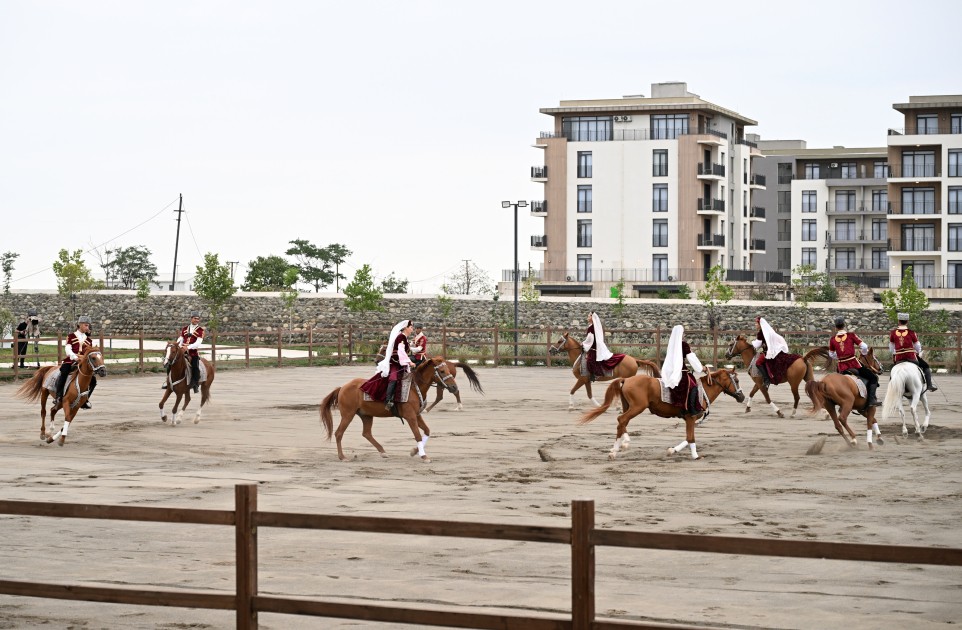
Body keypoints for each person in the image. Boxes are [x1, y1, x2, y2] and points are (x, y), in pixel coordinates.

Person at [361, 319, 415, 413]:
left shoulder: (404, 338)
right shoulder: (401, 337)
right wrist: (409, 362)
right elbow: (401, 351)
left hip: (400, 363)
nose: (412, 329)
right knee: (393, 378)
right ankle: (388, 400)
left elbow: (404, 349)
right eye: (411, 327)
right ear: (406, 328)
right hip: (395, 363)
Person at [829, 317, 879, 407]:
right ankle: (871, 400)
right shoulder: (851, 335)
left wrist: (840, 356)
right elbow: (864, 346)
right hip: (854, 365)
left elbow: (831, 355)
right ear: (844, 325)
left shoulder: (832, 339)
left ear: (836, 327)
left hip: (841, 368)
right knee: (873, 378)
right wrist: (864, 353)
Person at [661, 324, 707, 416]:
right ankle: (691, 409)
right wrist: (701, 368)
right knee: (693, 384)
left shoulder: (672, 344)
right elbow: (692, 359)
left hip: (669, 371)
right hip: (680, 371)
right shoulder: (684, 345)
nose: (684, 335)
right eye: (683, 333)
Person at [55, 315, 96, 409]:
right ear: (80, 325)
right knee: (64, 372)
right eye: (86, 325)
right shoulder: (71, 336)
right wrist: (74, 357)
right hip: (71, 360)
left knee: (93, 380)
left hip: (83, 363)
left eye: (88, 325)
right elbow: (67, 349)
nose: (87, 327)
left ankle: (85, 400)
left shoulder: (89, 340)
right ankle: (58, 396)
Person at [889, 312, 937, 391]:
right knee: (926, 366)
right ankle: (929, 385)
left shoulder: (893, 333)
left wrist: (894, 352)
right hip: (911, 357)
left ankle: (891, 387)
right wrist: (918, 352)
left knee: (893, 371)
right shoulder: (912, 332)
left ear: (898, 321)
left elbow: (891, 346)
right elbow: (917, 345)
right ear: (907, 321)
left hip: (899, 358)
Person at [582, 312, 625, 381]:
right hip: (594, 346)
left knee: (590, 360)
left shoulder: (592, 327)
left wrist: (583, 344)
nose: (587, 317)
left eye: (589, 316)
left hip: (594, 347)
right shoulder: (592, 326)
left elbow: (590, 339)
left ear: (592, 318)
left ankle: (595, 375)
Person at [752, 317, 790, 387]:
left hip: (768, 352)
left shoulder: (761, 333)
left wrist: (751, 342)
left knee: (758, 362)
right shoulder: (767, 331)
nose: (755, 325)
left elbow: (757, 345)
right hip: (774, 350)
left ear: (760, 324)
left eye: (756, 323)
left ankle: (767, 379)